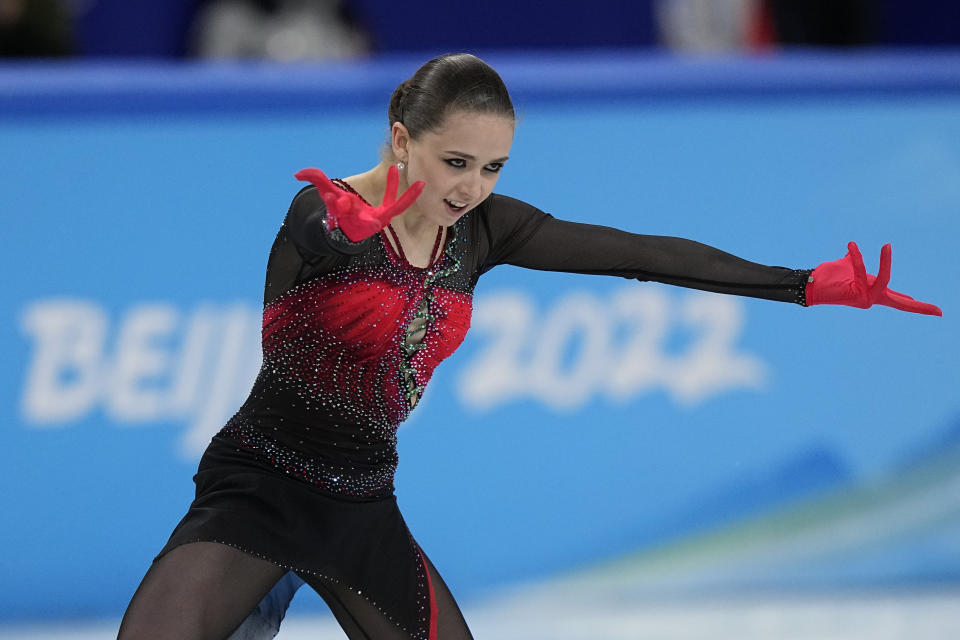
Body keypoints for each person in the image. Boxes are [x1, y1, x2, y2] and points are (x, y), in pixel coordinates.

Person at [117, 52, 941, 640]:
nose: (472, 187)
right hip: (257, 486)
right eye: (455, 161)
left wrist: (799, 283)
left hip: (362, 502)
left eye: (493, 168)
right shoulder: (323, 212)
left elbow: (638, 255)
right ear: (401, 138)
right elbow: (321, 228)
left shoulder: (481, 229)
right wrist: (347, 225)